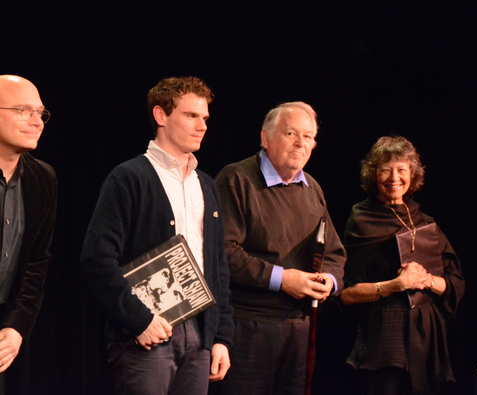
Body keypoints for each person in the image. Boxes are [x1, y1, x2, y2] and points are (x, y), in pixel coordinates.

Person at [80, 76, 234, 395]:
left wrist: (221, 337)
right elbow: (97, 259)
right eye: (191, 115)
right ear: (161, 116)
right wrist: (138, 320)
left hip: (200, 337)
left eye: (205, 118)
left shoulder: (206, 185)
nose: (202, 125)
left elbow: (218, 267)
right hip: (147, 337)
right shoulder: (129, 177)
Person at [213, 101, 346, 395]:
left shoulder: (312, 189)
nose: (301, 144)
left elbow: (334, 253)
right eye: (291, 134)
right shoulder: (236, 179)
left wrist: (329, 280)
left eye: (309, 137)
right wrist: (282, 279)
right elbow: (223, 252)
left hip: (299, 329)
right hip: (248, 326)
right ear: (265, 138)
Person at [341, 136, 465, 395]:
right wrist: (396, 285)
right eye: (385, 170)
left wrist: (426, 281)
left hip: (428, 336)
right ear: (374, 175)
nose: (393, 177)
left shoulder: (425, 222)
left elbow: (456, 283)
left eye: (401, 169)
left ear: (412, 174)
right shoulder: (362, 220)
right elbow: (346, 293)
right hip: (385, 334)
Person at [0, 75, 57, 393]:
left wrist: (17, 327)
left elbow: (37, 262)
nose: (36, 121)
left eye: (41, 113)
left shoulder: (42, 178)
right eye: (24, 110)